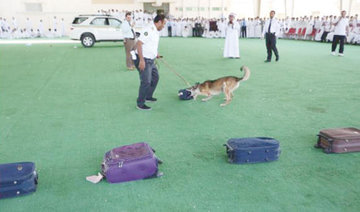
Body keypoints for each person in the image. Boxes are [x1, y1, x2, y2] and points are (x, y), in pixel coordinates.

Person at [133, 15, 166, 111]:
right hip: (144, 60)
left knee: (155, 78)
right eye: (163, 24)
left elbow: (151, 44)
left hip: (151, 59)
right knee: (146, 81)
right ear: (159, 22)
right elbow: (139, 44)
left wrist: (156, 54)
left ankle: (148, 96)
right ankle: (140, 103)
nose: (163, 26)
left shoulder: (156, 31)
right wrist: (142, 60)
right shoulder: (149, 29)